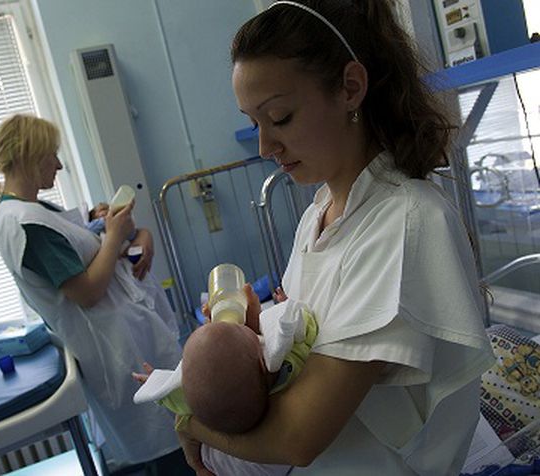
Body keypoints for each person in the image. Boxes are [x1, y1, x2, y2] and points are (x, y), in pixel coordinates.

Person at [174, 1, 497, 475]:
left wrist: (193, 427)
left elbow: (299, 437)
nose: (265, 146)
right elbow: (312, 352)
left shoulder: (407, 223)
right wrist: (259, 335)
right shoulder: (320, 215)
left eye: (279, 117)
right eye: (253, 123)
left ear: (350, 88)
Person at [0, 114, 188, 473]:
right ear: (31, 156)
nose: (59, 165)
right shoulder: (26, 224)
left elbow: (89, 244)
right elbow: (87, 291)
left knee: (177, 435)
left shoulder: (35, 212)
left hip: (132, 335)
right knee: (169, 451)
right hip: (119, 348)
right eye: (52, 155)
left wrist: (134, 235)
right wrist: (113, 236)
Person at [134, 285, 317, 476]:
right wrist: (287, 311)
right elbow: (300, 338)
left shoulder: (207, 407)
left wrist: (157, 381)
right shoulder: (285, 377)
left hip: (214, 464)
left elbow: (174, 394)